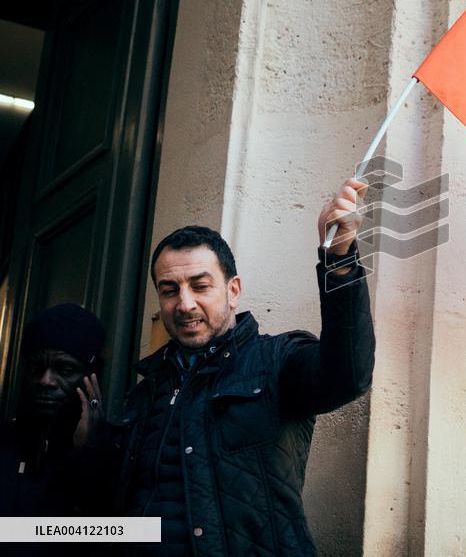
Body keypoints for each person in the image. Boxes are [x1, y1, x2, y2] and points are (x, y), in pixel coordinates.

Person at [115, 178, 375, 556]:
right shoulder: (144, 393)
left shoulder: (276, 361)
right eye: (170, 290)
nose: (184, 304)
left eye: (200, 286)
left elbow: (348, 377)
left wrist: (339, 260)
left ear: (233, 290)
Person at [0, 303, 108, 519]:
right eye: (35, 369)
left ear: (92, 379)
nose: (45, 381)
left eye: (65, 370)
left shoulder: (118, 453)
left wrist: (88, 454)